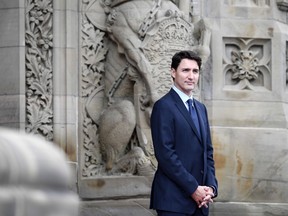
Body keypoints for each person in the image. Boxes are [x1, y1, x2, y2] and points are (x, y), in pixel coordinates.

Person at [150, 50, 218, 216]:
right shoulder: (163, 106)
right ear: (173, 72)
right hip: (173, 201)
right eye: (185, 70)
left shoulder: (201, 109)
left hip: (201, 202)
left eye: (195, 71)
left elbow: (207, 152)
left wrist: (211, 187)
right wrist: (193, 188)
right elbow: (166, 155)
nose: (191, 76)